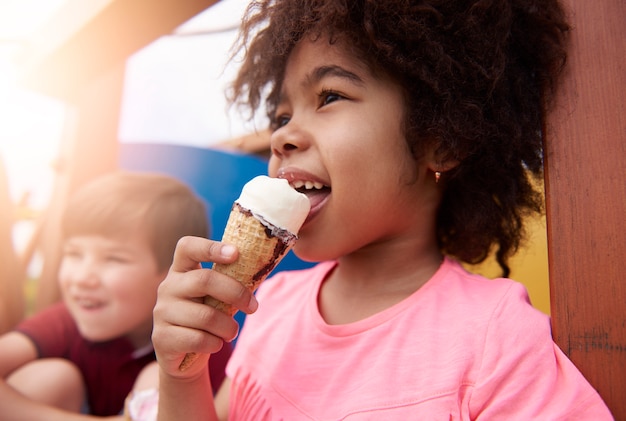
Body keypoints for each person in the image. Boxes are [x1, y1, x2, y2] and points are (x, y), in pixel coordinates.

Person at [147, 0, 614, 419]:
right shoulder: (271, 304)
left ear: (442, 137)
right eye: (283, 115)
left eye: (329, 96)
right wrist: (183, 375)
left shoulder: (497, 343)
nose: (280, 136)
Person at [0, 171, 232, 420]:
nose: (82, 277)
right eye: (74, 254)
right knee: (51, 378)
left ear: (173, 273)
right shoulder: (63, 322)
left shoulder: (203, 342)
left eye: (113, 258)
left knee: (160, 376)